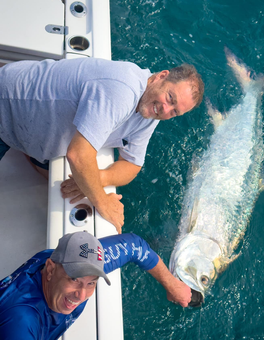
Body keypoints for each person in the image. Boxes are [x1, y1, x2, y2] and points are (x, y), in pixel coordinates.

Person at [0, 58, 204, 233]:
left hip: (35, 129)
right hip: (7, 107)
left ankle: (31, 154)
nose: (166, 109)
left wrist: (98, 178)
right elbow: (78, 155)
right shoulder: (123, 89)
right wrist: (102, 201)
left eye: (175, 111)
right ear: (161, 76)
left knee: (68, 185)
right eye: (170, 97)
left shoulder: (152, 111)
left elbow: (132, 165)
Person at [0, 231, 191, 340]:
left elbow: (135, 246)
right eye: (74, 279)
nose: (81, 295)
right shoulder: (21, 321)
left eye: (91, 282)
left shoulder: (71, 261)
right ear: (50, 269)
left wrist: (173, 285)